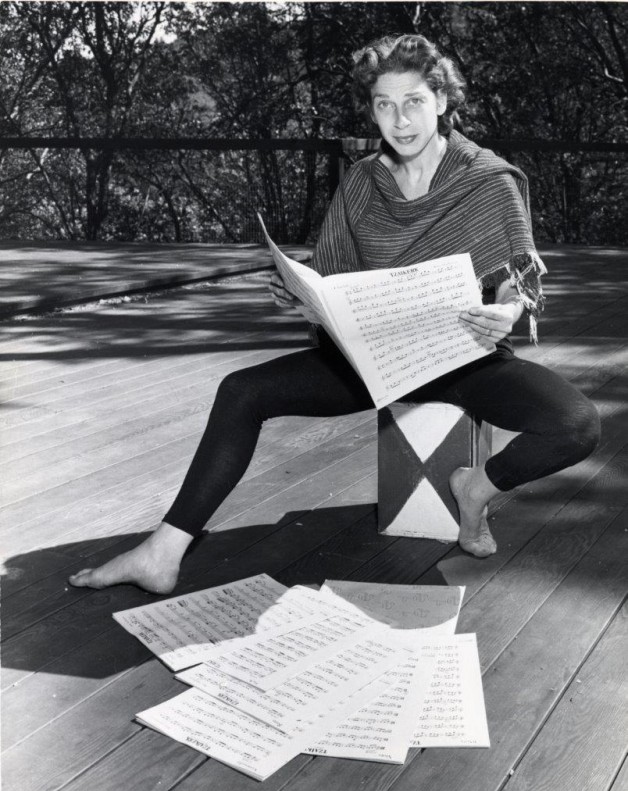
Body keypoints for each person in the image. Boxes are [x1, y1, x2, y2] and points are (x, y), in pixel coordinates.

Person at [69, 34, 600, 594]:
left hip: (461, 357)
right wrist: (300, 292)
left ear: (442, 101)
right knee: (240, 391)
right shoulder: (361, 184)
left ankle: (476, 490)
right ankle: (162, 549)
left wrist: (507, 314)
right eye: (384, 105)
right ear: (371, 110)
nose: (400, 120)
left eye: (414, 101)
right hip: (373, 360)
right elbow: (332, 276)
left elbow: (518, 278)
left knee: (576, 424)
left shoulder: (486, 180)